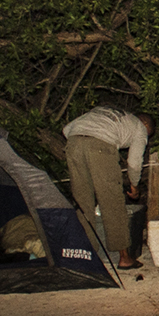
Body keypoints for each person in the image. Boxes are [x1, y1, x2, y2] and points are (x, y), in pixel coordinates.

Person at [63, 106, 152, 269]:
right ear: (146, 125)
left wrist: (81, 144)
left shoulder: (107, 112)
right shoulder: (139, 127)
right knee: (112, 202)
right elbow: (134, 162)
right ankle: (125, 258)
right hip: (101, 146)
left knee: (82, 203)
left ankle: (86, 254)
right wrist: (134, 184)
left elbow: (67, 129)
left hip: (74, 142)